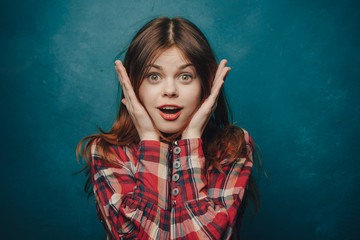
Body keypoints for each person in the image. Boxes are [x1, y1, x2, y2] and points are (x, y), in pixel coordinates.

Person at [77, 16, 261, 240]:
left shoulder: (232, 148)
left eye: (185, 76)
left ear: (205, 84)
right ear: (134, 85)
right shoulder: (108, 152)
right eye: (154, 76)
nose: (170, 90)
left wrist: (191, 140)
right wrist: (150, 141)